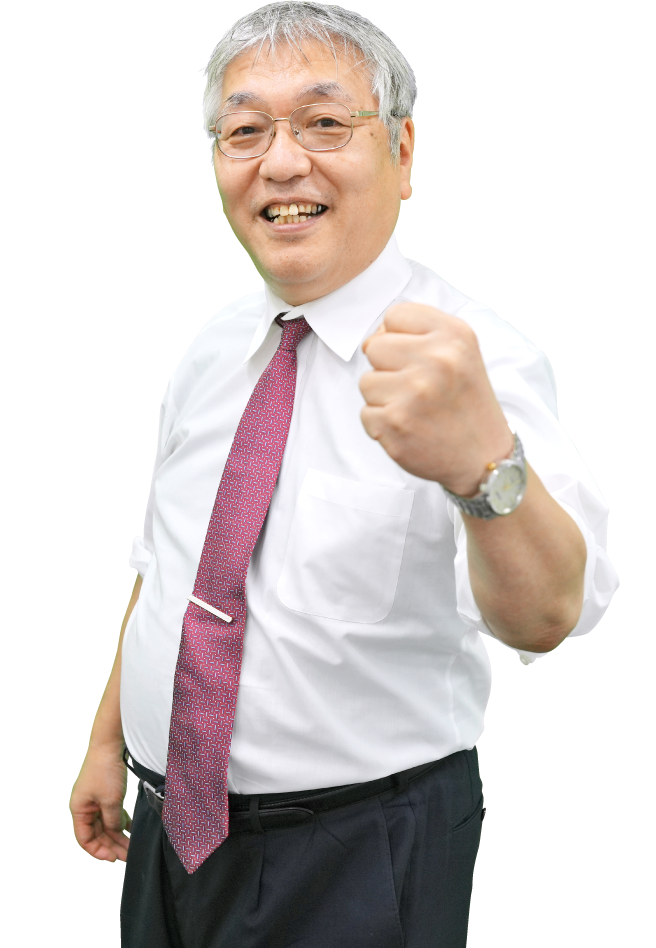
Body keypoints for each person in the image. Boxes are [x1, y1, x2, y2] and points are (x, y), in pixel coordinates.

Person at [69, 3, 619, 946]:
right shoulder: (215, 346)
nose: (282, 163)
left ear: (402, 152)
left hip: (362, 853)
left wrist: (481, 469)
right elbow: (170, 568)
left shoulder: (475, 359)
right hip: (168, 831)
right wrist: (109, 738)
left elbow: (548, 618)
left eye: (325, 122)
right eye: (246, 130)